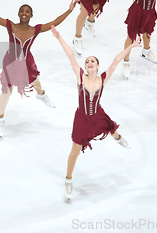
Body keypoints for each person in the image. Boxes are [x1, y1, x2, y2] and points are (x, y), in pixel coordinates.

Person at [51, 25, 141, 199]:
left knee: (109, 127)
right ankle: (69, 179)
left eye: (92, 61)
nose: (89, 63)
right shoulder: (80, 75)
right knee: (75, 150)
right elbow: (71, 55)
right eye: (87, 61)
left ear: (98, 65)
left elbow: (115, 61)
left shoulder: (103, 78)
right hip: (82, 118)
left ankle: (118, 138)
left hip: (97, 114)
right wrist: (59, 37)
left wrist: (130, 47)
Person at [0, 0, 77, 137]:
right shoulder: (11, 26)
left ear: (31, 15)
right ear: (18, 14)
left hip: (27, 60)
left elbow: (55, 22)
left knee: (34, 80)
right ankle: (0, 118)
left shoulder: (35, 30)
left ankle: (41, 95)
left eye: (27, 11)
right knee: (7, 91)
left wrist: (69, 10)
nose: (24, 13)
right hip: (10, 62)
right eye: (22, 11)